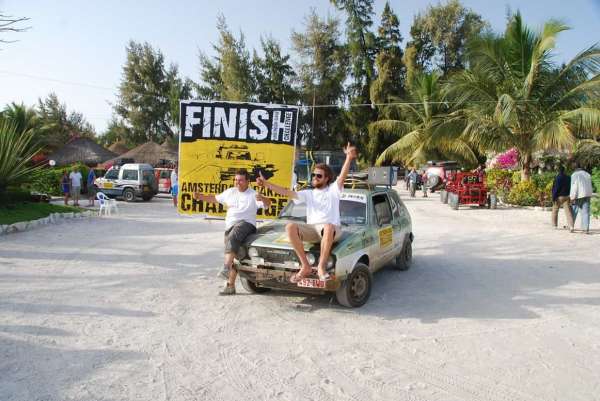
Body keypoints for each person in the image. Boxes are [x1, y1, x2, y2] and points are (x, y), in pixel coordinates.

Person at [256, 142, 357, 283]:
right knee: (290, 227)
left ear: (327, 178)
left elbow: (342, 176)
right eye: (314, 175)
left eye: (319, 176)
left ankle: (321, 267)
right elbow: (286, 192)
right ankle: (305, 266)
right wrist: (267, 184)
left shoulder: (334, 190)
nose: (315, 177)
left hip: (332, 230)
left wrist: (349, 158)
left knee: (328, 226)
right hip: (313, 229)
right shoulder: (308, 193)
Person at [193, 169, 271, 295]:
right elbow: (215, 198)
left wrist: (262, 198)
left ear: (247, 181)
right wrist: (200, 196)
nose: (237, 182)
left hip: (246, 225)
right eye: (236, 180)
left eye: (240, 180)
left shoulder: (253, 194)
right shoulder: (230, 192)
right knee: (235, 255)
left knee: (236, 233)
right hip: (230, 228)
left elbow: (268, 204)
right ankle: (230, 285)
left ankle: (226, 267)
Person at [570, 163, 593, 234]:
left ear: (574, 168)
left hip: (579, 195)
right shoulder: (587, 174)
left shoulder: (574, 174)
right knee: (586, 212)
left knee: (574, 211)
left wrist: (572, 197)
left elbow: (574, 186)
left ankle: (571, 226)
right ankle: (585, 229)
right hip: (587, 194)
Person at [551, 165, 574, 231]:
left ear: (558, 170)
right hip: (567, 196)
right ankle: (571, 226)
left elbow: (556, 188)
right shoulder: (568, 177)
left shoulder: (558, 177)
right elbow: (571, 187)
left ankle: (554, 225)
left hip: (559, 197)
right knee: (568, 212)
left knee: (555, 210)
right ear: (564, 171)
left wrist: (553, 197)